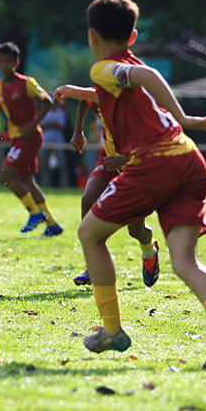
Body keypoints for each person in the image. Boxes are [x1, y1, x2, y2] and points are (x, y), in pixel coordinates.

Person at [55, 0, 206, 370]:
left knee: (89, 234)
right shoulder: (125, 68)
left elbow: (143, 77)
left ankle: (111, 330)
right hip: (188, 160)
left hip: (154, 163)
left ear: (93, 37)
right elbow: (122, 88)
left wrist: (184, 116)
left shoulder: (104, 68)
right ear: (133, 36)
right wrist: (185, 125)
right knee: (185, 262)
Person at [0, 42, 62, 236]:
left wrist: (33, 123)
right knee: (28, 182)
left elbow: (48, 101)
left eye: (8, 61)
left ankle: (35, 213)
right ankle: (52, 224)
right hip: (17, 138)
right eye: (1, 61)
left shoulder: (27, 83)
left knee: (5, 175)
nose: (4, 64)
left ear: (16, 63)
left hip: (30, 137)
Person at [68, 98, 160, 288]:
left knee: (135, 230)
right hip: (109, 160)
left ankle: (149, 251)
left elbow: (152, 143)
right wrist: (79, 130)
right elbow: (85, 99)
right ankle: (92, 265)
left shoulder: (135, 103)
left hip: (136, 167)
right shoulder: (101, 91)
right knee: (88, 199)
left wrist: (124, 160)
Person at [39, 100, 70, 187]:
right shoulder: (45, 112)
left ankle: (64, 185)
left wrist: (49, 123)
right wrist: (52, 123)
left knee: (62, 165)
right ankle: (46, 185)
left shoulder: (61, 113)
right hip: (46, 141)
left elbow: (61, 125)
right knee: (44, 165)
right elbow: (40, 125)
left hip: (59, 142)